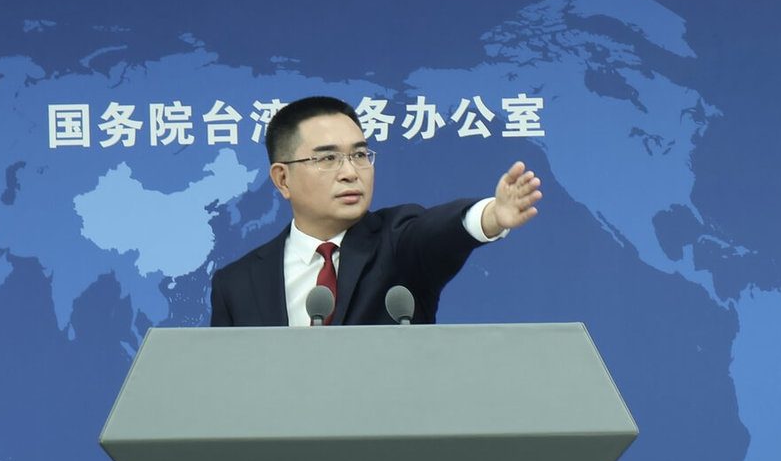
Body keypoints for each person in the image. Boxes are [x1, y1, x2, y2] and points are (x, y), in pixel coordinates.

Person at [210, 96, 542, 326]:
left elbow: (437, 232)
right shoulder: (237, 284)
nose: (350, 172)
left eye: (359, 155)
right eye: (328, 158)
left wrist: (491, 216)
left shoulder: (398, 243)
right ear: (283, 179)